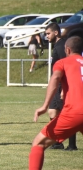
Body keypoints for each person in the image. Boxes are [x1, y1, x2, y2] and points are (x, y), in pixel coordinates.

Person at [29, 36, 83, 170]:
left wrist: (45, 106)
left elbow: (56, 78)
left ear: (68, 50)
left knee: (38, 143)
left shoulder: (63, 62)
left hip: (75, 112)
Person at [45, 23, 77, 150]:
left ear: (56, 33)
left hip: (60, 85)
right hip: (59, 84)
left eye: (48, 33)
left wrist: (64, 87)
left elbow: (68, 66)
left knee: (55, 111)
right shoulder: (59, 45)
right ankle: (67, 143)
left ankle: (61, 142)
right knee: (61, 112)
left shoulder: (60, 47)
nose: (46, 36)